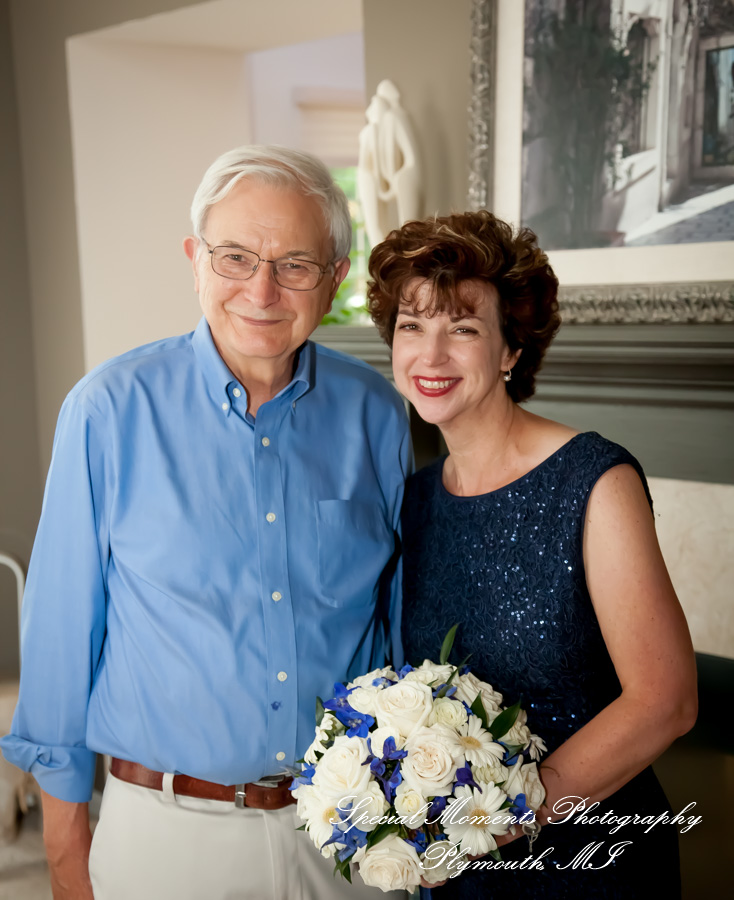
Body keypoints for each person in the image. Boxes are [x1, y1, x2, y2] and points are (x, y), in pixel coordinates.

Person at [1, 146, 411, 900]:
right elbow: (61, 634)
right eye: (235, 257)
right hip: (167, 838)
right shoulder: (107, 411)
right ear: (195, 261)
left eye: (294, 264)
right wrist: (65, 850)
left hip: (347, 832)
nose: (262, 289)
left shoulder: (378, 415)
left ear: (334, 279)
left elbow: (397, 619)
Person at [367, 210, 697, 898]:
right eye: (412, 326)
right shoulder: (414, 501)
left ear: (511, 349)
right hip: (462, 868)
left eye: (463, 328)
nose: (431, 356)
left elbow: (666, 702)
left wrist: (498, 821)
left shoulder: (594, 482)